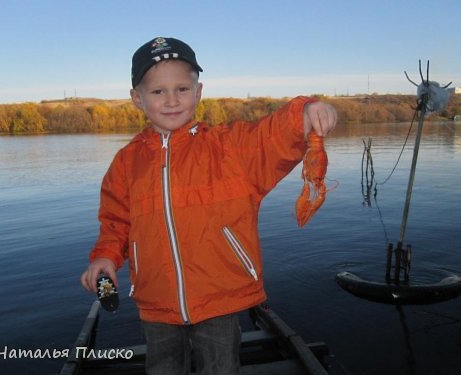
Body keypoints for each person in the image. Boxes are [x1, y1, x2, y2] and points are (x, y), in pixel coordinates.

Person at [80, 36, 337, 375]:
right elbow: (115, 222)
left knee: (220, 368)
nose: (172, 100)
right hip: (156, 300)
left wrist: (305, 112)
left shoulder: (229, 148)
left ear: (198, 92)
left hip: (221, 295)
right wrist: (105, 256)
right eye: (158, 92)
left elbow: (270, 138)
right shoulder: (126, 163)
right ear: (137, 99)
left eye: (182, 89)